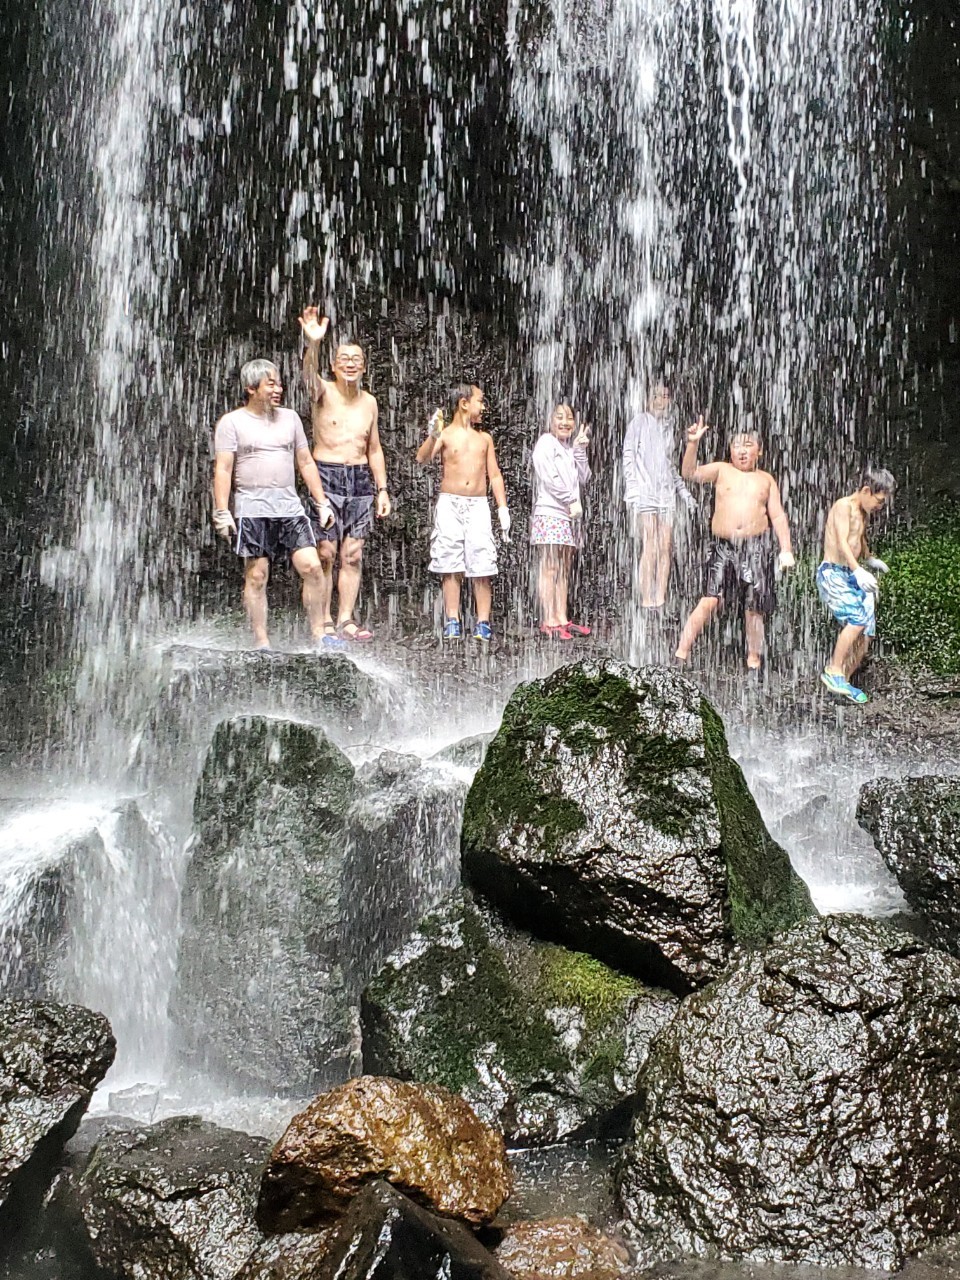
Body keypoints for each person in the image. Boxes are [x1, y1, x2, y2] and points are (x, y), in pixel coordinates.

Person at [212, 359, 337, 651]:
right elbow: (223, 469)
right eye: (271, 384)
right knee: (257, 575)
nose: (278, 389)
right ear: (251, 388)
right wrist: (222, 510)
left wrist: (322, 503)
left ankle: (320, 634)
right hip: (252, 509)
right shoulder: (232, 422)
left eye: (279, 383)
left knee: (312, 567)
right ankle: (262, 641)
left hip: (289, 508)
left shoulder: (290, 418)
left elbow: (305, 462)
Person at [299, 305, 390, 643]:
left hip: (361, 480)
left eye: (356, 359)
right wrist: (313, 343)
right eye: (344, 359)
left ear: (364, 366)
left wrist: (382, 489)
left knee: (352, 554)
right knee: (325, 552)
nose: (350, 364)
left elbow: (374, 448)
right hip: (326, 476)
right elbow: (308, 375)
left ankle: (346, 619)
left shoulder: (370, 402)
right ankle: (322, 621)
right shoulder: (323, 391)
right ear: (334, 366)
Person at [674, 418, 795, 670]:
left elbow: (777, 516)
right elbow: (689, 473)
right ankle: (680, 653)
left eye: (748, 445)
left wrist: (786, 549)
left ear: (759, 451)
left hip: (756, 548)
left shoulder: (766, 480)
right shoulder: (721, 470)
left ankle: (754, 660)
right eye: (736, 445)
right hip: (723, 546)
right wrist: (692, 444)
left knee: (754, 605)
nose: (741, 451)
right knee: (710, 599)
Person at [416, 384, 510, 641]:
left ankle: (483, 622)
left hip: (478, 504)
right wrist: (433, 435)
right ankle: (452, 619)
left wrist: (502, 508)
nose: (484, 407)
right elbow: (422, 458)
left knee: (482, 560)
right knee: (450, 562)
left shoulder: (484, 439)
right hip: (450, 504)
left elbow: (495, 475)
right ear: (464, 403)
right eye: (480, 401)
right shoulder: (445, 435)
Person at [817, 468, 897, 705]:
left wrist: (869, 559)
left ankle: (843, 680)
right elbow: (842, 542)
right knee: (857, 618)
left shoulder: (863, 511)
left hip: (851, 573)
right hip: (833, 573)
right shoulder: (843, 506)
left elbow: (859, 538)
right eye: (879, 501)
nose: (880, 506)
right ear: (866, 490)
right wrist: (858, 570)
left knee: (868, 629)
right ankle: (833, 670)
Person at [623, 382, 695, 608]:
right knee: (650, 544)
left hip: (666, 495)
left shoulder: (669, 426)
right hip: (645, 493)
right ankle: (646, 599)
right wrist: (632, 490)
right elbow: (628, 456)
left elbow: (669, 465)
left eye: (665, 396)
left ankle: (660, 597)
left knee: (666, 546)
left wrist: (683, 492)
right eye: (656, 396)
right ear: (648, 399)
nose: (661, 401)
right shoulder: (639, 422)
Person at [531, 404, 592, 640]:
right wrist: (570, 499)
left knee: (564, 568)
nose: (565, 422)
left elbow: (585, 477)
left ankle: (562, 617)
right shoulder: (546, 443)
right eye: (559, 417)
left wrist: (579, 451)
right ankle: (549, 620)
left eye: (569, 418)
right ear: (550, 421)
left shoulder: (568, 448)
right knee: (550, 567)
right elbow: (549, 476)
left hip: (569, 516)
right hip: (550, 512)